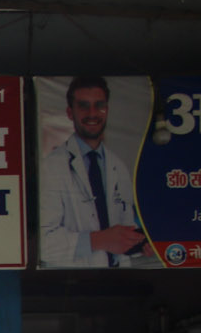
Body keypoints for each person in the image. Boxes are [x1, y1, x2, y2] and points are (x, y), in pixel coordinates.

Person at [39, 75, 148, 269]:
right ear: (70, 113)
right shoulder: (51, 167)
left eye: (99, 105)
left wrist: (141, 244)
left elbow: (124, 230)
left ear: (107, 110)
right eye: (83, 106)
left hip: (119, 275)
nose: (92, 113)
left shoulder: (119, 166)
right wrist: (98, 240)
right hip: (72, 279)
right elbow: (43, 245)